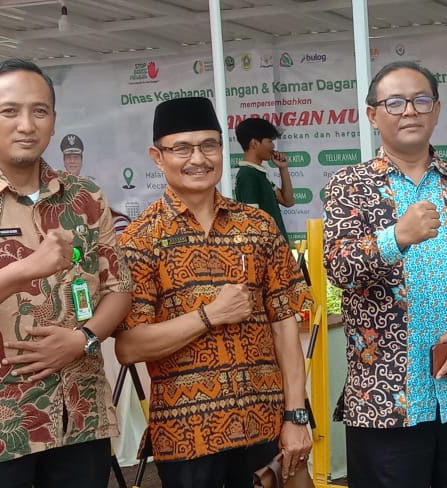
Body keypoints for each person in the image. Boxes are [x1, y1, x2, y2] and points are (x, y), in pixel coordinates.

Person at [0, 58, 133, 487]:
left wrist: (83, 339)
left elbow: (118, 287)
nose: (26, 125)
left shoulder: (85, 197)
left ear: (53, 120)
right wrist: (24, 270)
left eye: (39, 111)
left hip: (80, 416)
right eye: (10, 111)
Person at [322, 61, 447, 488]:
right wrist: (395, 237)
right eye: (395, 103)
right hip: (385, 400)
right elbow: (339, 268)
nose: (410, 111)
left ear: (436, 109)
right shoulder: (350, 186)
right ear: (373, 114)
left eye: (420, 100)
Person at [114, 96, 312, 487]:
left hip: (265, 426)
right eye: (182, 148)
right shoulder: (140, 239)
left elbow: (284, 327)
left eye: (208, 145)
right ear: (157, 157)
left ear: (222, 150)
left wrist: (295, 415)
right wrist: (210, 315)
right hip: (186, 435)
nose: (198, 159)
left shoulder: (258, 227)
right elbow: (129, 347)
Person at [234, 117, 295, 240]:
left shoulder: (257, 173)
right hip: (267, 249)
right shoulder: (248, 175)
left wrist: (283, 168)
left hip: (276, 246)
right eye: (269, 141)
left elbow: (288, 201)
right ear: (254, 143)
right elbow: (252, 223)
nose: (273, 146)